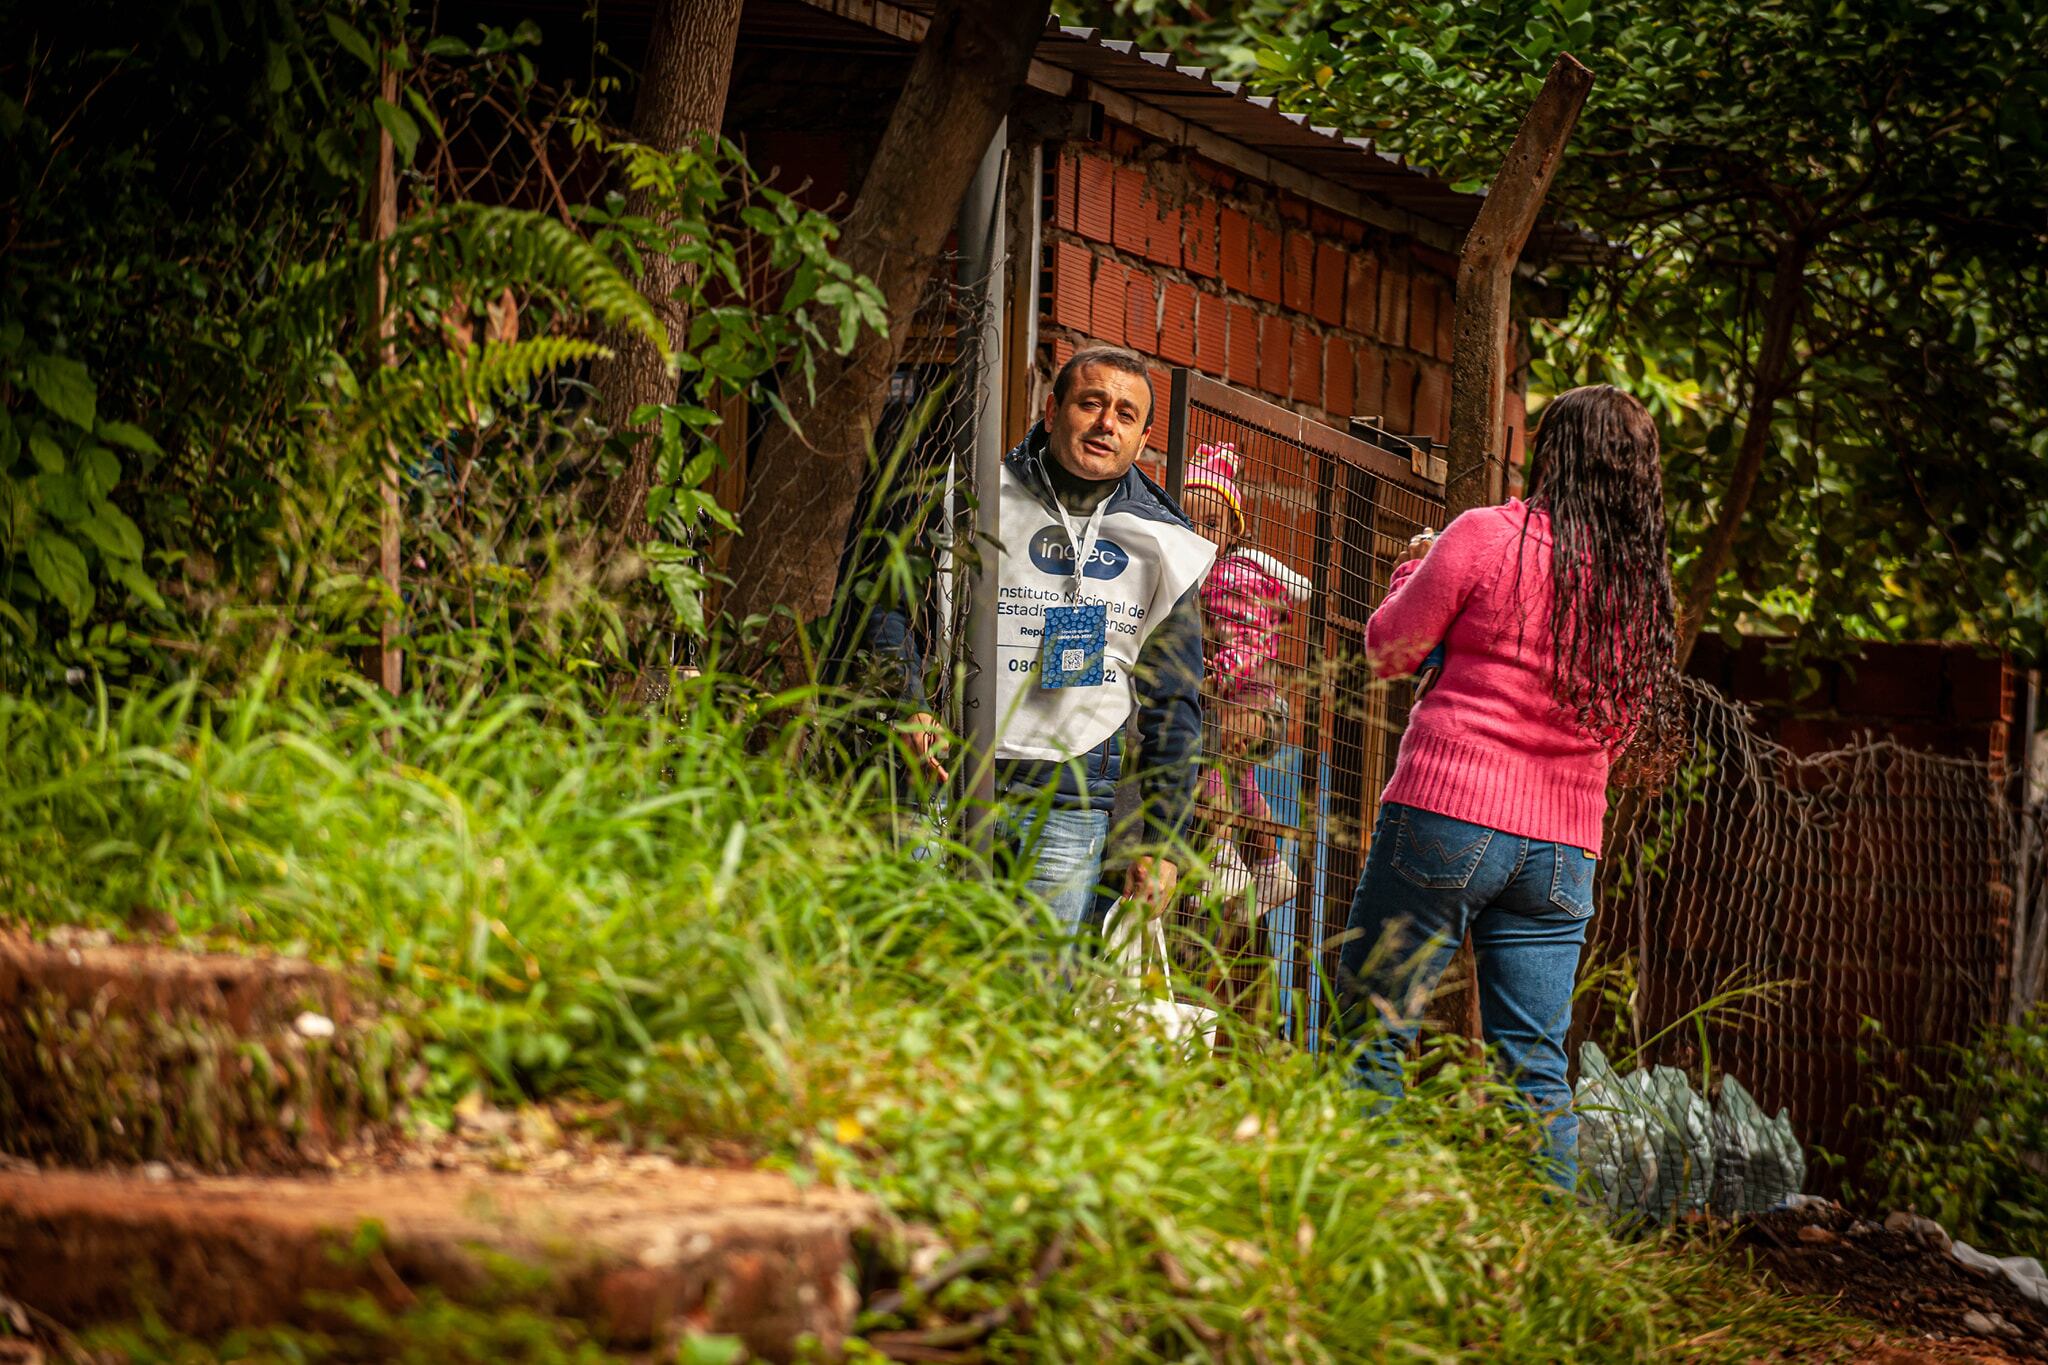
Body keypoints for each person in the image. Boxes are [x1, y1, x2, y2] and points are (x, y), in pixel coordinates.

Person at [1335, 384, 1680, 1189]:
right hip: (1564, 851)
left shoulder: (1487, 536)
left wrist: (1410, 570)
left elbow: (1389, 650)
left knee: (1374, 1028)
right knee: (1536, 1071)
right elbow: (1619, 731)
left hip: (1449, 812)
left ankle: (1364, 1222)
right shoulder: (1636, 591)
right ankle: (1549, 1260)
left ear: (1551, 454)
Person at [870, 346, 1215, 933]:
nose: (1107, 423)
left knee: (1033, 1000)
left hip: (1070, 813)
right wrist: (908, 710)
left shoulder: (1167, 543)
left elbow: (1175, 707)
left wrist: (1164, 845)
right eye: (1091, 403)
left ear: (1145, 436)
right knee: (917, 979)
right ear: (1052, 410)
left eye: (1126, 414)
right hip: (946, 786)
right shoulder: (972, 497)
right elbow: (886, 610)